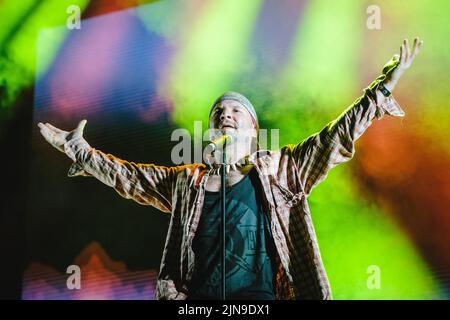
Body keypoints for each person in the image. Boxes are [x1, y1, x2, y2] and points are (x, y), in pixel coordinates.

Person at [38, 38, 423, 300]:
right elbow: (131, 177)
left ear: (254, 129)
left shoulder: (284, 170)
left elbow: (334, 137)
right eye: (219, 113)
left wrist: (381, 89)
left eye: (237, 110)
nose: (227, 115)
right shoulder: (187, 181)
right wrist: (81, 151)